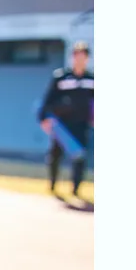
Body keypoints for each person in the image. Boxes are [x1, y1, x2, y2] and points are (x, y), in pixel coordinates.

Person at [37, 40, 94, 198]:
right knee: (55, 155)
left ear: (87, 58)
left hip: (81, 124)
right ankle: (53, 184)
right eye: (76, 55)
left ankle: (76, 189)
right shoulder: (61, 77)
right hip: (62, 125)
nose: (79, 59)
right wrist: (43, 118)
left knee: (79, 157)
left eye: (83, 55)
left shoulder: (91, 79)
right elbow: (47, 100)